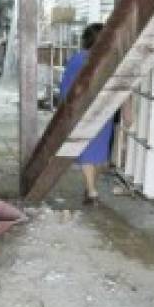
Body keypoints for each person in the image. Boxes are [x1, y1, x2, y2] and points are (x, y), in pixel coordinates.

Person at [58, 23, 113, 205]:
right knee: (98, 152)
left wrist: (65, 109)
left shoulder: (78, 59)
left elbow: (66, 87)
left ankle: (92, 191)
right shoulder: (111, 59)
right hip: (105, 110)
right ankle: (91, 189)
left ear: (86, 40)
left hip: (83, 110)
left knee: (86, 150)